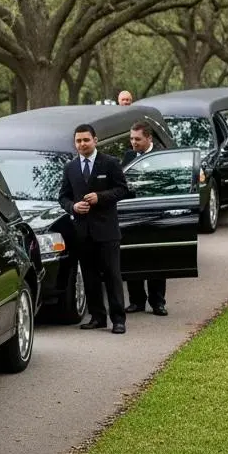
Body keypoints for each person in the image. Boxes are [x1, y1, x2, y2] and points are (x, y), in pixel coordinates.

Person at [58, 124, 130, 333]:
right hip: (82, 232)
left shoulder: (110, 163)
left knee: (112, 275)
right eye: (78, 141)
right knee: (90, 277)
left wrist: (101, 197)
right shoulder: (70, 167)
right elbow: (63, 196)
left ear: (95, 140)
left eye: (86, 140)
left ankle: (118, 320)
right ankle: (98, 317)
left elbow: (123, 189)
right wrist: (73, 207)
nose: (82, 144)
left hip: (107, 231)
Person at [120, 122, 168, 316]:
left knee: (155, 257)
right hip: (132, 213)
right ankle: (136, 301)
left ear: (149, 138)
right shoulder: (128, 156)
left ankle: (158, 302)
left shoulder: (161, 157)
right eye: (131, 139)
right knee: (133, 255)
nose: (133, 143)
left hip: (154, 213)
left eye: (137, 139)